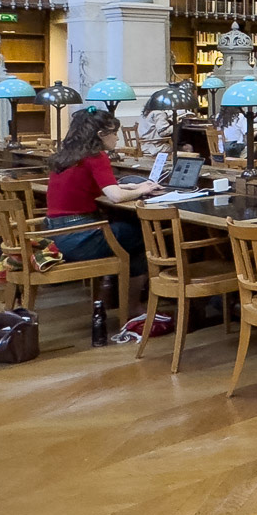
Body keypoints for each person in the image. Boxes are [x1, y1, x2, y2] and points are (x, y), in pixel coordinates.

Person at [46, 108, 161, 341]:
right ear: (100, 134)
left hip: (56, 234)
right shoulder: (96, 157)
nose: (116, 138)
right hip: (78, 237)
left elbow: (103, 188)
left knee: (127, 231)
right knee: (141, 235)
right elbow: (115, 197)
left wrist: (127, 187)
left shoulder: (68, 155)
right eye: (114, 133)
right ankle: (133, 307)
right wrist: (141, 189)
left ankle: (116, 298)